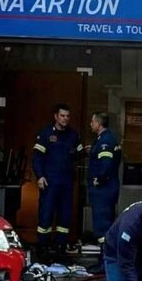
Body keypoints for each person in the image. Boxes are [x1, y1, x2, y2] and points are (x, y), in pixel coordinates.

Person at [32, 103, 83, 256]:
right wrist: (39, 176)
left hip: (66, 182)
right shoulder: (46, 134)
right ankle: (43, 245)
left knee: (65, 215)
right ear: (56, 116)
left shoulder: (73, 135)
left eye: (67, 116)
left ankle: (61, 245)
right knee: (46, 214)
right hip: (49, 181)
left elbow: (79, 154)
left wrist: (86, 151)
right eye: (62, 116)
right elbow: (37, 158)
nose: (65, 119)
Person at [86, 111, 121, 273]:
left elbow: (106, 164)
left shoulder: (105, 141)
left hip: (103, 191)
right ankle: (104, 261)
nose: (90, 124)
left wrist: (98, 179)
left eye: (92, 121)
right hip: (106, 190)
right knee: (104, 226)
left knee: (102, 227)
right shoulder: (103, 140)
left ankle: (104, 264)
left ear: (99, 123)